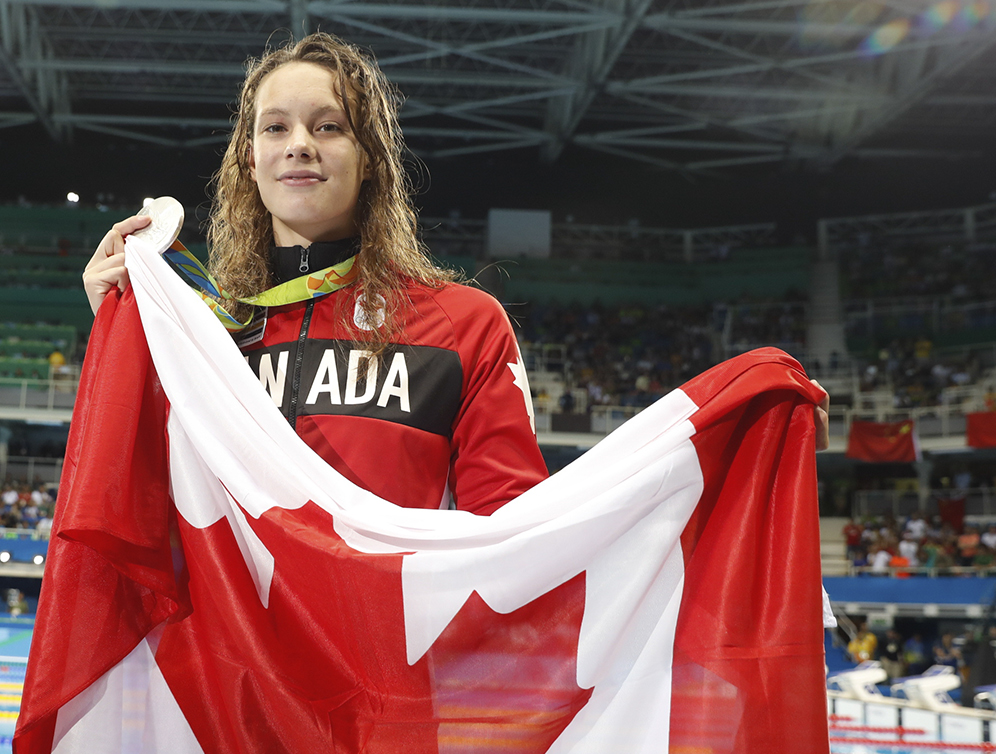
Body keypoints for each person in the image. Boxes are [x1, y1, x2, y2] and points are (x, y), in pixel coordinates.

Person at [81, 33, 833, 517]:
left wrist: (740, 451)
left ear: (368, 154)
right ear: (249, 159)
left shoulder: (463, 324)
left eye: (329, 125)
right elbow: (138, 505)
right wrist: (114, 333)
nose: (298, 145)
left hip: (385, 696)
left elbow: (519, 528)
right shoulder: (201, 331)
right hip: (222, 699)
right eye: (274, 127)